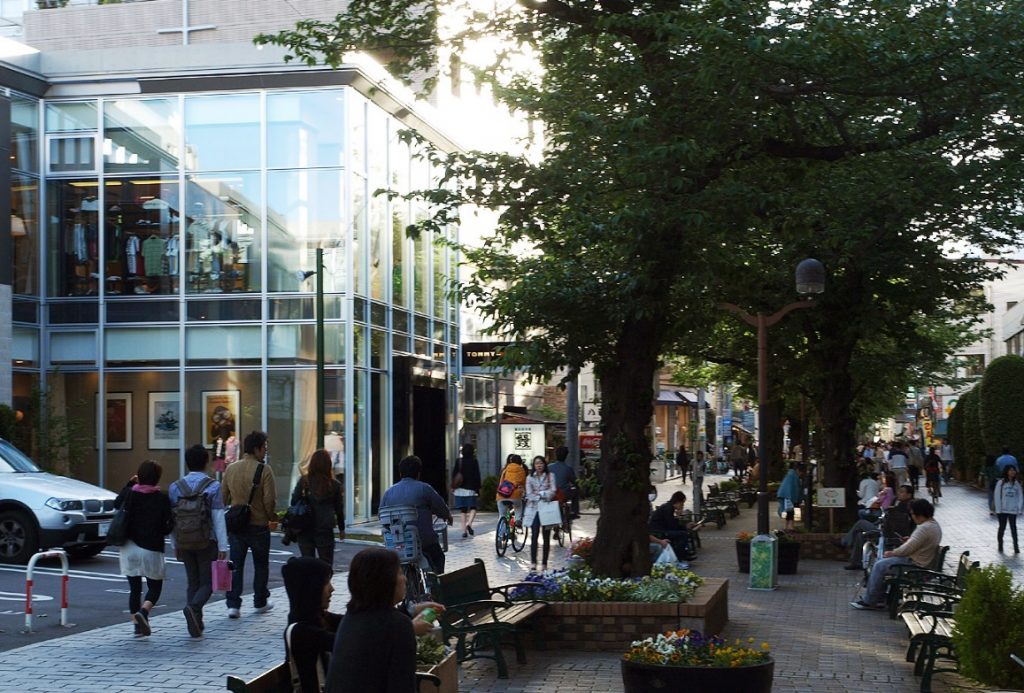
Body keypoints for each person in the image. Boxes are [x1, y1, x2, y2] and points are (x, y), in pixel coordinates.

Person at [325, 548, 441, 693]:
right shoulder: (398, 625)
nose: (404, 578)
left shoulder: (353, 617)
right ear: (385, 581)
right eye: (398, 573)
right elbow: (402, 686)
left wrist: (412, 610)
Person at [170, 444, 228, 638]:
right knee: (209, 583)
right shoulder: (213, 486)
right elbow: (218, 516)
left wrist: (174, 544)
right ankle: (194, 609)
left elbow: (173, 520)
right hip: (207, 540)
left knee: (192, 581)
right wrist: (223, 545)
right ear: (206, 462)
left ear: (187, 463)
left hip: (184, 540)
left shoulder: (175, 487)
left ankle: (196, 624)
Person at [114, 460, 174, 637]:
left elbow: (116, 504)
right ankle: (144, 612)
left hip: (129, 547)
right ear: (157, 478)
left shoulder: (129, 494)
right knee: (155, 587)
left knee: (134, 588)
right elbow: (168, 526)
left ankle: (137, 627)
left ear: (139, 476)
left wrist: (130, 484)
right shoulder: (162, 498)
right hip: (151, 549)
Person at [222, 430, 276, 619]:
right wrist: (272, 517)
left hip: (237, 525)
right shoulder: (265, 470)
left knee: (235, 564)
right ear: (257, 448)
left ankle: (233, 605)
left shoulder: (231, 469)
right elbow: (269, 501)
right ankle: (260, 601)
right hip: (259, 524)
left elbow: (223, 498)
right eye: (264, 447)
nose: (266, 451)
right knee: (261, 565)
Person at [851, 498, 941, 610]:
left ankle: (871, 600)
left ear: (919, 514)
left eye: (912, 514)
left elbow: (908, 549)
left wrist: (893, 553)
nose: (912, 516)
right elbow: (916, 543)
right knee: (882, 564)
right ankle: (878, 598)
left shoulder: (924, 528)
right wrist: (909, 540)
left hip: (914, 565)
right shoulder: (933, 525)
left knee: (880, 565)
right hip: (920, 562)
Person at [380, 455, 453, 574]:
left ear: (400, 473)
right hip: (423, 541)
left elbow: (381, 516)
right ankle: (436, 589)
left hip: (396, 543)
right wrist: (447, 516)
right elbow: (441, 507)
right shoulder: (424, 489)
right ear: (418, 473)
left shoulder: (388, 493)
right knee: (438, 557)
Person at [282, 556, 343, 693]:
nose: (332, 589)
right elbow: (348, 644)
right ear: (311, 589)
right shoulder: (302, 631)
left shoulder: (319, 617)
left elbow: (352, 622)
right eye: (326, 583)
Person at [837, 484, 914, 569]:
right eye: (899, 491)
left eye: (902, 492)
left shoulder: (907, 505)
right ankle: (856, 562)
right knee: (860, 534)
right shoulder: (896, 500)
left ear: (909, 495)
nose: (899, 493)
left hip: (889, 532)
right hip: (883, 527)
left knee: (861, 523)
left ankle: (844, 543)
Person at [290, 449, 346, 567]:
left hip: (305, 527)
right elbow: (339, 509)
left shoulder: (304, 481)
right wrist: (342, 529)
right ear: (328, 465)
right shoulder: (334, 485)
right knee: (326, 564)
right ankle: (323, 584)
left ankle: (310, 585)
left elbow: (294, 501)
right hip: (325, 528)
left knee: (307, 564)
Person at [523, 455, 557, 572]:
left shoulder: (550, 476)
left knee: (546, 537)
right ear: (533, 465)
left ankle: (544, 563)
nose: (539, 465)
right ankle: (533, 562)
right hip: (534, 509)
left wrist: (540, 493)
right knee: (534, 535)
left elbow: (553, 491)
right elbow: (529, 494)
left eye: (541, 463)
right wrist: (540, 495)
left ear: (544, 464)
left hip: (547, 509)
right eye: (536, 463)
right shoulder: (529, 478)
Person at [648, 491, 697, 561]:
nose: (682, 506)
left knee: (682, 532)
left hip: (662, 529)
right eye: (682, 503)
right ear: (677, 502)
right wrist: (679, 516)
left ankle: (684, 552)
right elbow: (672, 526)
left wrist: (684, 526)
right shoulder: (668, 508)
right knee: (683, 534)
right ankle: (681, 555)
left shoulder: (669, 507)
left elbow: (673, 523)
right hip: (659, 531)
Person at [452, 443, 481, 538]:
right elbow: (477, 475)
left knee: (463, 510)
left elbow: (454, 474)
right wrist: (478, 488)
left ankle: (464, 531)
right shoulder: (474, 461)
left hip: (460, 489)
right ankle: (469, 524)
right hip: (471, 489)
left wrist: (453, 486)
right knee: (473, 508)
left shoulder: (459, 461)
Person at [994, 465, 1023, 553]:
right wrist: (998, 509)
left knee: (1013, 528)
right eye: (1010, 470)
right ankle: (1000, 545)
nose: (1012, 472)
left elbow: (1020, 496)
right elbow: (997, 496)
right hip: (1003, 510)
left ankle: (1016, 547)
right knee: (1002, 527)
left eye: (1014, 470)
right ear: (1007, 472)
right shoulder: (1001, 483)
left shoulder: (1016, 483)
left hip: (1013, 510)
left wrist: (1019, 508)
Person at [547, 445, 579, 519]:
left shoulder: (549, 467)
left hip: (551, 494)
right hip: (564, 493)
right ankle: (574, 511)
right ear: (566, 456)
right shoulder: (568, 468)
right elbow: (575, 481)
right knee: (576, 491)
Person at [496, 453, 528, 520]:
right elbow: (523, 484)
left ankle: (501, 527)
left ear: (511, 461)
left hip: (502, 495)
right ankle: (518, 520)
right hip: (515, 495)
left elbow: (501, 483)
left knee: (502, 515)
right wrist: (525, 493)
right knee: (518, 507)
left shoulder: (505, 470)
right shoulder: (522, 471)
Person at [777, 463, 804, 531]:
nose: (801, 474)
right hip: (789, 496)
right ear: (798, 470)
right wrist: (798, 499)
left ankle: (787, 526)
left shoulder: (790, 474)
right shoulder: (794, 476)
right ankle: (790, 526)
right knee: (791, 511)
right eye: (801, 472)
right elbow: (796, 489)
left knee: (789, 511)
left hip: (786, 495)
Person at [690, 451, 705, 516]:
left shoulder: (703, 462)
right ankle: (697, 498)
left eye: (700, 456)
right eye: (698, 455)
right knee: (696, 489)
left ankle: (699, 499)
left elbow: (704, 469)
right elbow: (690, 468)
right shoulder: (693, 461)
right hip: (695, 477)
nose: (699, 457)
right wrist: (690, 475)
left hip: (700, 477)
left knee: (699, 489)